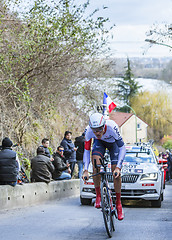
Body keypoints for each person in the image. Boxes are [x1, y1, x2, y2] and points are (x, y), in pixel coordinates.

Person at [82, 113, 126, 221]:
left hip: (113, 145)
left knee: (115, 173)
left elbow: (122, 147)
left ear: (104, 126)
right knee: (96, 163)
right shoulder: (88, 131)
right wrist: (86, 170)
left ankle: (119, 204)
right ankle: (98, 195)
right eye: (94, 130)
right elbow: (86, 151)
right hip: (99, 144)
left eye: (99, 130)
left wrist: (118, 167)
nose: (97, 132)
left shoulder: (112, 126)